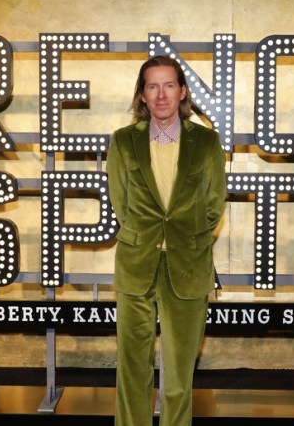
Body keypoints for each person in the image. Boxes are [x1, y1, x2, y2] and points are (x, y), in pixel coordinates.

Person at [106, 55, 228, 426]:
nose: (161, 94)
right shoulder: (124, 141)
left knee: (178, 377)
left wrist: (183, 239)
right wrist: (147, 237)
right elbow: (120, 203)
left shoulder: (206, 142)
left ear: (183, 92)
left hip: (187, 268)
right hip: (136, 265)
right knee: (131, 372)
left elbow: (213, 206)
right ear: (142, 95)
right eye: (152, 86)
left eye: (169, 85)